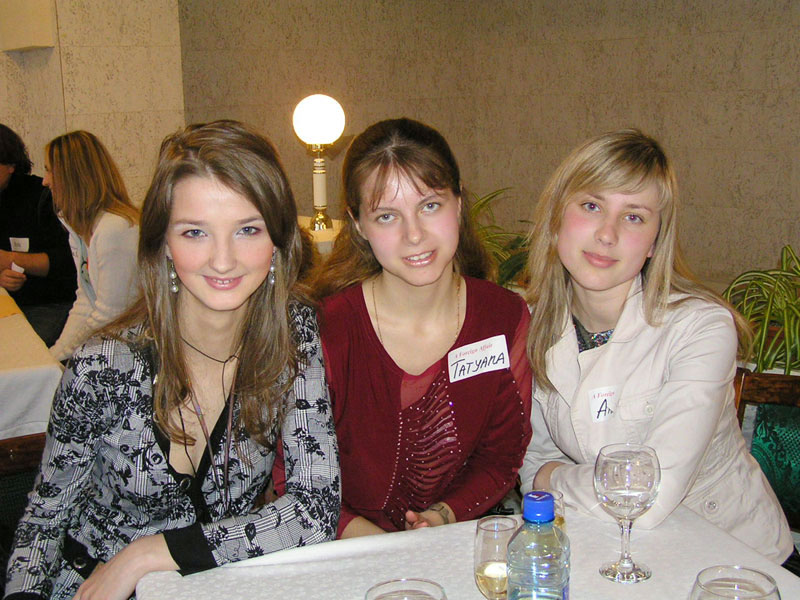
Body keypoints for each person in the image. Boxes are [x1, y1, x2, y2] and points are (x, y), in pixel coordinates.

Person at [4, 120, 340, 600]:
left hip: (212, 584)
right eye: (195, 232)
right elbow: (43, 520)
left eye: (248, 229)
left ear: (279, 241)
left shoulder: (294, 336)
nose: (222, 260)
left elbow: (314, 510)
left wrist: (146, 554)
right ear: (163, 243)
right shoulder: (105, 365)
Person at [519, 128, 794, 564]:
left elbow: (648, 497)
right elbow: (534, 459)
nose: (607, 234)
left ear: (654, 243)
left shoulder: (701, 328)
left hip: (730, 559)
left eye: (633, 217)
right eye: (591, 206)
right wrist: (545, 475)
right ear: (556, 220)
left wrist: (552, 479)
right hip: (607, 551)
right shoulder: (530, 324)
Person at [308, 117, 532, 538]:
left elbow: (501, 456)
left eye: (430, 206)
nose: (414, 235)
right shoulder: (326, 331)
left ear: (458, 203)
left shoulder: (503, 317)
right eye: (386, 216)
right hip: (345, 551)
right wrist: (384, 549)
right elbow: (297, 479)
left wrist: (442, 516)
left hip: (455, 542)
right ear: (358, 224)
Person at [43, 130, 140, 361]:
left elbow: (111, 314)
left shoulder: (115, 229)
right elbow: (85, 301)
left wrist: (63, 360)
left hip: (131, 350)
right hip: (110, 343)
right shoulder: (81, 229)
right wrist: (54, 356)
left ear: (71, 176)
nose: (45, 181)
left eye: (49, 170)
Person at [0, 124, 76, 345]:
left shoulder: (42, 197)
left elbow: (67, 262)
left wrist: (11, 259)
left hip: (50, 304)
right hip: (9, 303)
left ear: (10, 164)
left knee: (21, 349)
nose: (47, 178)